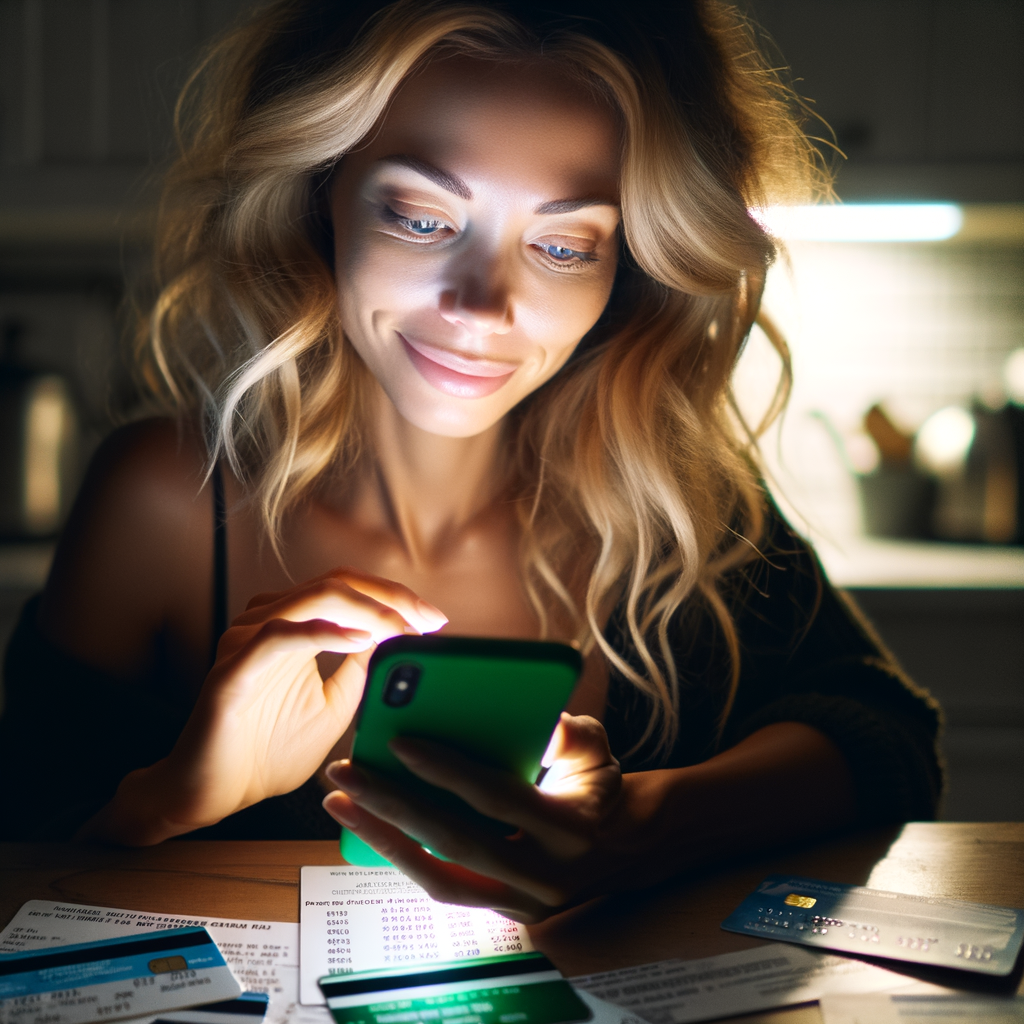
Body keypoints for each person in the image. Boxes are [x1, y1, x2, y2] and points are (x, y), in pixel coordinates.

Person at [0, 0, 941, 923]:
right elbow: (28, 857)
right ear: (322, 192)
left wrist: (648, 822)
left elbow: (885, 739)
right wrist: (172, 798)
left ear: (629, 270)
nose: (486, 305)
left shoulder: (669, 501)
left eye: (566, 245)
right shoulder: (164, 502)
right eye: (420, 218)